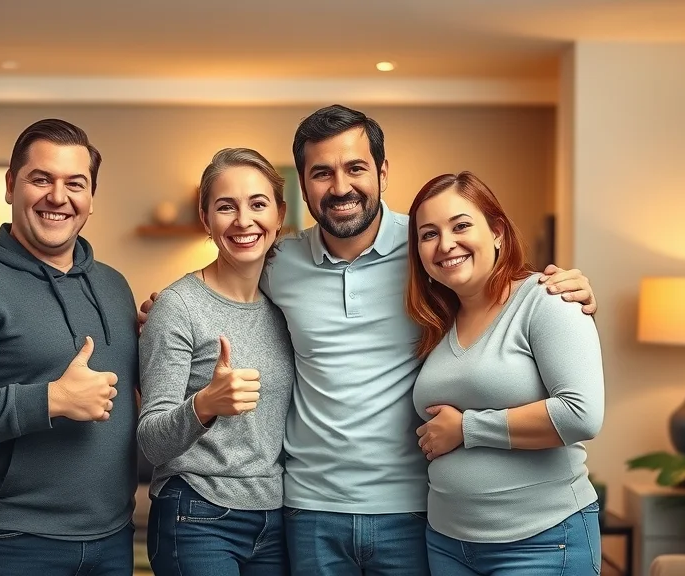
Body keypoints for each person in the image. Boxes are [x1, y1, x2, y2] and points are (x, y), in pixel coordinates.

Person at [140, 104, 598, 575]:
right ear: (301, 187)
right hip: (308, 508)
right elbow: (225, 289)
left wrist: (563, 292)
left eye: (355, 167)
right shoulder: (280, 262)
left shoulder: (428, 249)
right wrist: (167, 309)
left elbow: (491, 290)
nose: (340, 187)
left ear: (382, 172)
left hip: (413, 507)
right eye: (321, 173)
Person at [0, 118, 139, 576]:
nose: (58, 197)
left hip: (112, 538)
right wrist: (51, 398)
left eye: (75, 183)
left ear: (91, 198)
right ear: (12, 185)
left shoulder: (114, 287)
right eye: (41, 179)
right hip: (7, 543)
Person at [405, 171, 604, 575]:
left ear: (497, 232)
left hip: (543, 540)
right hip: (446, 542)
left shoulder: (547, 298)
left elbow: (581, 414)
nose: (446, 244)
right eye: (428, 234)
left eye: (461, 225)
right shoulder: (438, 323)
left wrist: (467, 429)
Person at [137, 148, 295, 575]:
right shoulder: (177, 307)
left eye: (258, 204)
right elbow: (150, 441)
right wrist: (204, 404)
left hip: (276, 514)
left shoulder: (288, 308)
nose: (244, 221)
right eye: (226, 207)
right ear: (206, 220)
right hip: (197, 513)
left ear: (279, 215)